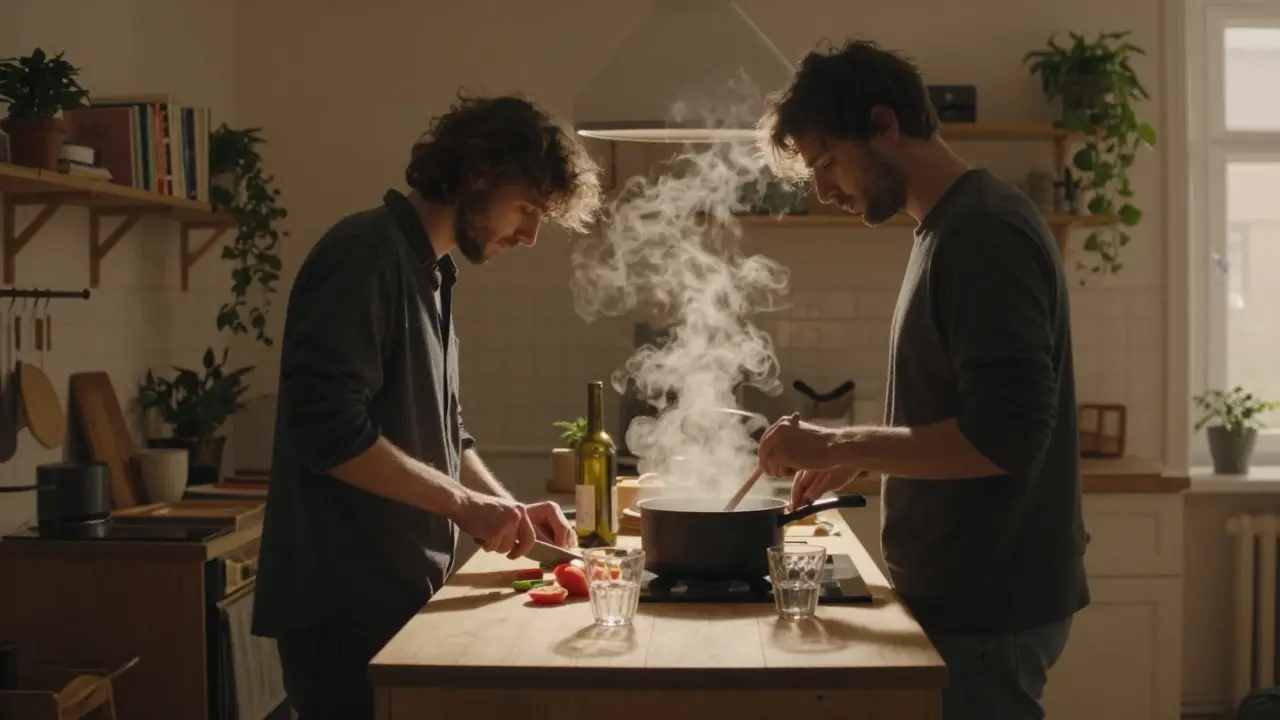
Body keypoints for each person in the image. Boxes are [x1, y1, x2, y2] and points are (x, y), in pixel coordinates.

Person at [754, 40, 1089, 720]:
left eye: (826, 160)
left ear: (884, 125)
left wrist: (840, 446)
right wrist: (857, 455)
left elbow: (1004, 439)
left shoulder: (983, 233)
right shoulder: (946, 229)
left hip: (989, 611)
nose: (823, 188)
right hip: (964, 603)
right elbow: (962, 419)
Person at [251, 93, 603, 720]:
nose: (529, 235)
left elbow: (447, 435)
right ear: (477, 175)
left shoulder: (431, 272)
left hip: (400, 597)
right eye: (525, 208)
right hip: (343, 609)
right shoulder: (365, 254)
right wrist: (468, 506)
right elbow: (329, 432)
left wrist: (510, 508)